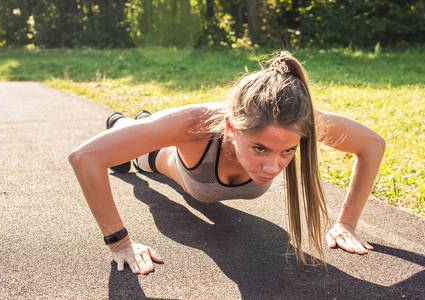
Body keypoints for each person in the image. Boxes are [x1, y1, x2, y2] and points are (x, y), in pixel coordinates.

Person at [68, 50, 386, 275]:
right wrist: (119, 242)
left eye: (287, 151)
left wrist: (346, 223)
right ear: (232, 128)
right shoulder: (197, 122)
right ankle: (127, 123)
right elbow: (85, 158)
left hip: (199, 162)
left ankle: (142, 125)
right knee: (145, 163)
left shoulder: (300, 121)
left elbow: (372, 145)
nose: (273, 166)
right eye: (259, 149)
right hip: (173, 162)